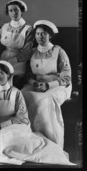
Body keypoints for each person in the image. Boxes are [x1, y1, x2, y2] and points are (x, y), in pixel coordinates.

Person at [0, 60, 74, 165]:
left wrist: (3, 125)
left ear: (7, 75)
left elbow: (23, 118)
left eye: (1, 73)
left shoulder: (16, 92)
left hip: (16, 126)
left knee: (12, 142)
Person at [21, 20, 72, 149]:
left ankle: (52, 142)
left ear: (50, 35)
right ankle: (32, 140)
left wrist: (48, 86)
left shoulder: (59, 51)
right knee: (22, 95)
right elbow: (29, 75)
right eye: (38, 34)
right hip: (37, 84)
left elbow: (66, 77)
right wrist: (34, 83)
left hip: (57, 85)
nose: (40, 37)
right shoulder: (32, 52)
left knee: (47, 100)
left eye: (43, 34)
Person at [0, 0, 34, 89]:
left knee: (14, 85)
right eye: (11, 10)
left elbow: (27, 51)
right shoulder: (4, 27)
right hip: (3, 59)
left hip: (19, 63)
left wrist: (11, 61)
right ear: (8, 13)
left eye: (16, 10)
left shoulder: (28, 29)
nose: (13, 13)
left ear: (21, 11)